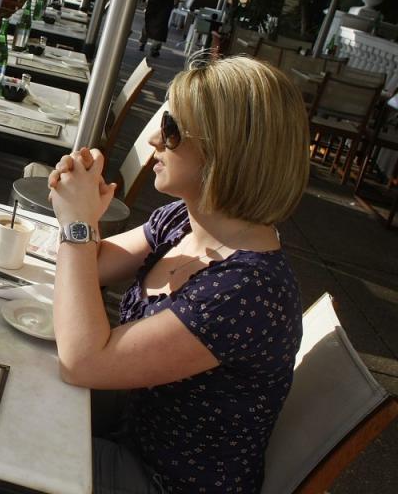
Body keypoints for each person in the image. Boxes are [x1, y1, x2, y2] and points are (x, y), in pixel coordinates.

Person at [48, 56, 311, 493]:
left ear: (228, 150)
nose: (153, 138)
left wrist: (77, 225)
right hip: (130, 432)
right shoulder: (183, 221)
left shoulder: (247, 291)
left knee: (7, 440)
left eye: (170, 129)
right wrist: (84, 218)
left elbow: (83, 362)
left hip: (163, 481)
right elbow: (89, 268)